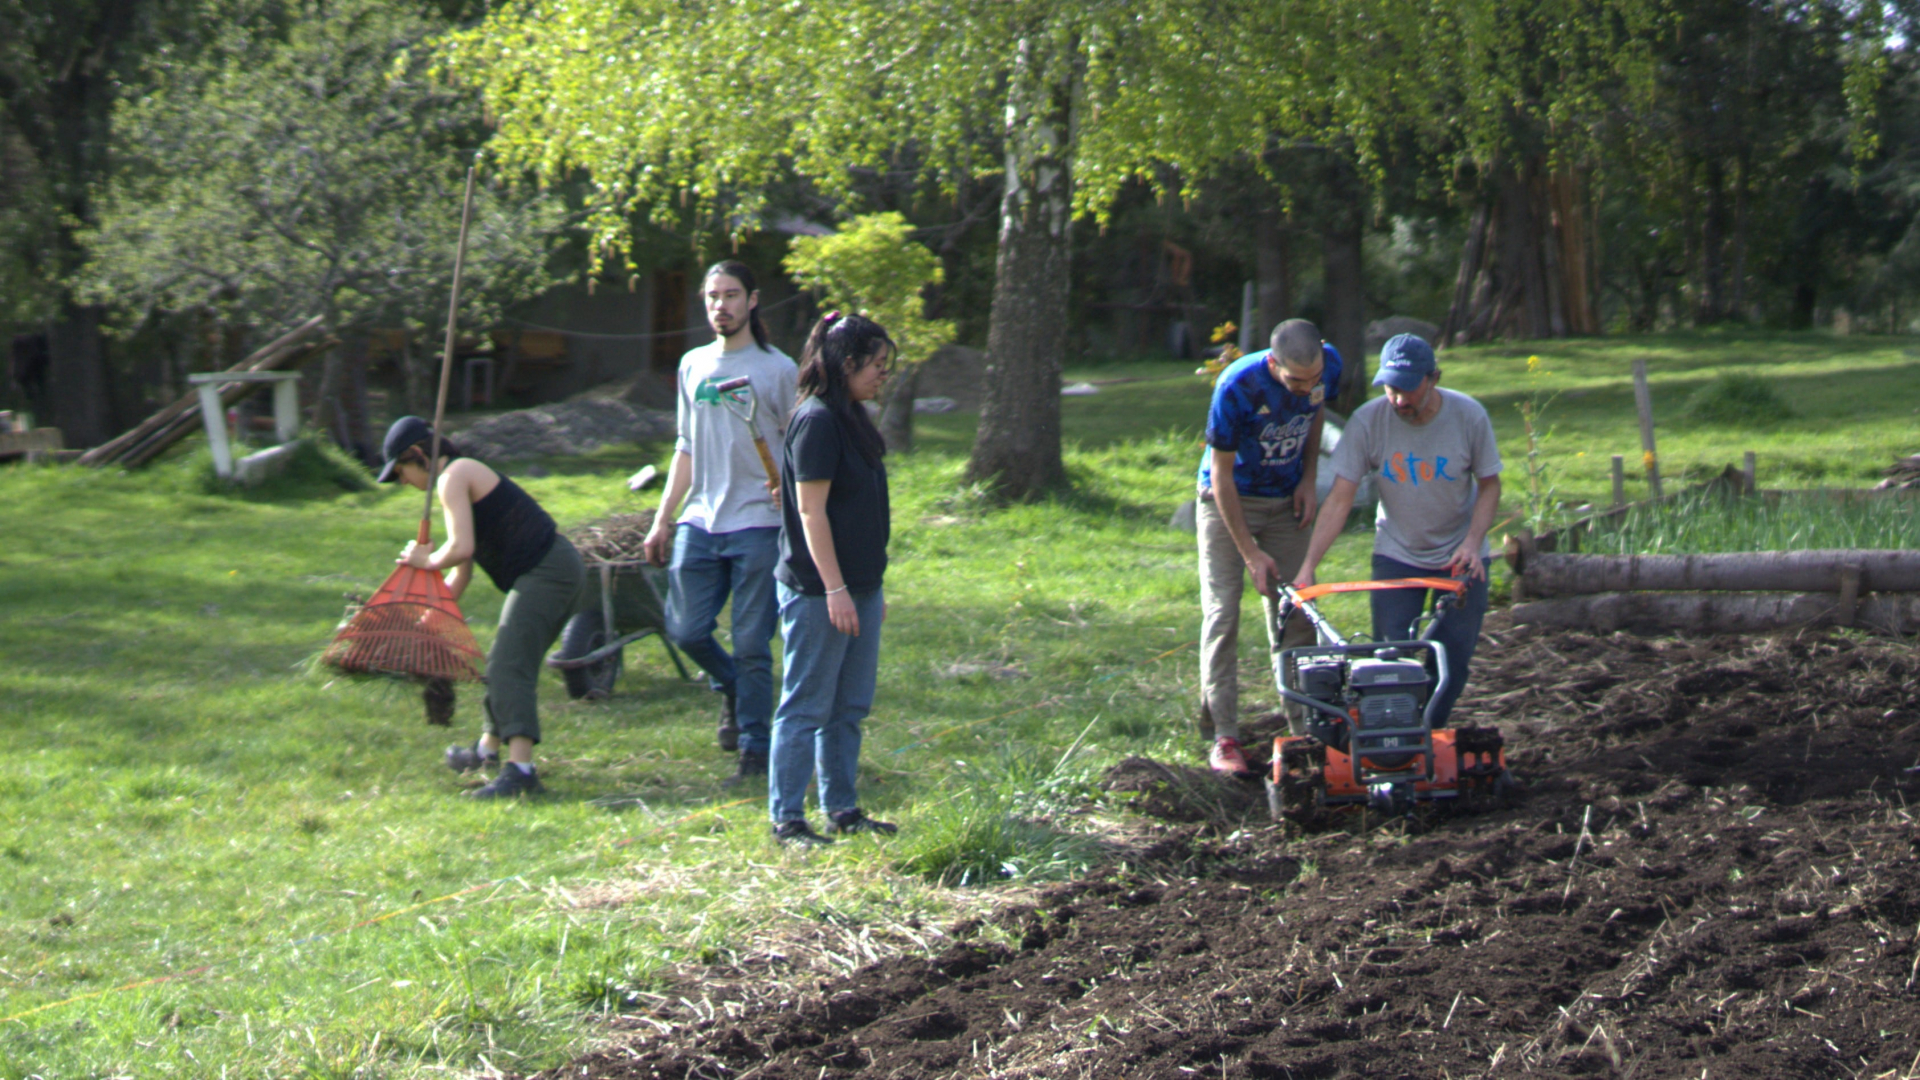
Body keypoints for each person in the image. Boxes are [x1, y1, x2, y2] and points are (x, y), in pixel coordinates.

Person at [1292, 333, 1502, 726]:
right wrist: (1308, 567)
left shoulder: (1468, 416)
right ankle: (1393, 741)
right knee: (1390, 661)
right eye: (1391, 388)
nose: (1399, 399)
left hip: (1459, 558)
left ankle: (1429, 736)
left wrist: (1473, 544)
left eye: (1408, 388)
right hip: (1397, 555)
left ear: (1433, 378)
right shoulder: (1369, 421)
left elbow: (1490, 485)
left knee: (1451, 665)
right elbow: (1339, 499)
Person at [642, 261, 798, 786]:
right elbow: (685, 446)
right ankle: (734, 688)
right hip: (701, 521)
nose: (721, 306)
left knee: (753, 642)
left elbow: (798, 441)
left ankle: (756, 746)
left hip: (759, 520)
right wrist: (663, 519)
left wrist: (790, 487)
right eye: (712, 296)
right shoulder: (692, 366)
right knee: (685, 630)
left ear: (752, 301)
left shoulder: (777, 370)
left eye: (731, 295)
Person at [380, 415, 584, 799]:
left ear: (418, 454)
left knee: (510, 664)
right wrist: (429, 620)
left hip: (549, 570)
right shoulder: (453, 481)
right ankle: (486, 752)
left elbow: (460, 549)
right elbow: (462, 575)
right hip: (554, 570)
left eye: (401, 471)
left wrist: (424, 561)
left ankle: (521, 771)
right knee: (506, 660)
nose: (403, 481)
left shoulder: (453, 476)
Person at [766, 312, 897, 847]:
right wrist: (837, 590)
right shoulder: (817, 420)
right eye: (876, 364)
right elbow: (811, 513)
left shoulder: (853, 417)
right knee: (806, 705)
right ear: (847, 363)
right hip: (819, 592)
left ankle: (841, 808)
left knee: (849, 706)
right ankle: (787, 820)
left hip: (860, 587)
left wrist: (870, 586)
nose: (882, 374)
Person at [1195, 319, 1343, 778]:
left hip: (1285, 501)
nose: (1306, 388)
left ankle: (1303, 729)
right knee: (1224, 613)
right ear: (1273, 363)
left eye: (1314, 378)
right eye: (1296, 381)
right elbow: (1220, 475)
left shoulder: (1325, 367)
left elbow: (1315, 413)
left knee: (1297, 608)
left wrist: (1306, 479)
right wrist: (1250, 554)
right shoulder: (1237, 385)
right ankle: (1223, 736)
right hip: (1228, 501)